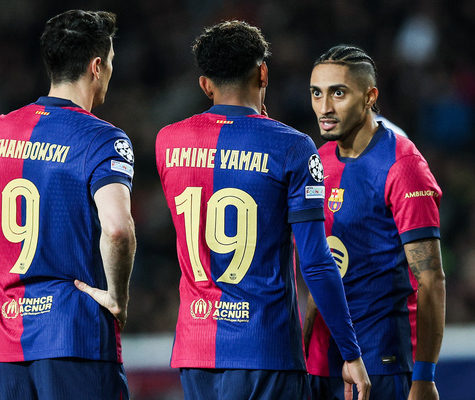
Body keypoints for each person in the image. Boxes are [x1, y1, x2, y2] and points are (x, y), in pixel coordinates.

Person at [0, 10, 136, 400]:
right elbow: (117, 229)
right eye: (112, 62)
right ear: (97, 66)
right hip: (75, 336)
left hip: (10, 343)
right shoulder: (101, 139)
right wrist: (118, 297)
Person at [155, 21, 370, 400]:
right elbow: (316, 262)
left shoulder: (167, 141)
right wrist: (350, 352)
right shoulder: (291, 147)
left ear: (205, 85)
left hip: (195, 350)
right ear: (263, 73)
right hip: (265, 349)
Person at [304, 44, 445, 400]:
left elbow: (430, 278)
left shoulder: (403, 166)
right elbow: (318, 267)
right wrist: (303, 349)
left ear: (370, 97)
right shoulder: (318, 161)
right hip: (320, 361)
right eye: (317, 93)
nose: (324, 107)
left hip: (381, 359)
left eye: (338, 93)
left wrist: (424, 377)